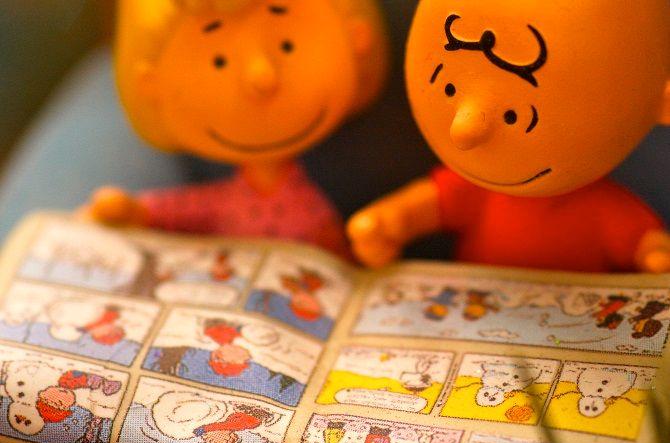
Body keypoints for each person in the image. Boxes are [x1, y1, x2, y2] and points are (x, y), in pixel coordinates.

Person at [348, 0, 670, 272]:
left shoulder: (601, 208)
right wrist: (387, 223)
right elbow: (431, 205)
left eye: (515, 116)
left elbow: (644, 245)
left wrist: (654, 255)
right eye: (449, 88)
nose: (464, 131)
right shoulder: (477, 189)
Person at [83, 0, 389, 257]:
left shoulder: (342, 184)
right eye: (219, 61)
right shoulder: (224, 202)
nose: (262, 77)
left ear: (357, 37)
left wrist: (372, 248)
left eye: (287, 45)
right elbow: (188, 209)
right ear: (149, 84)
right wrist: (137, 212)